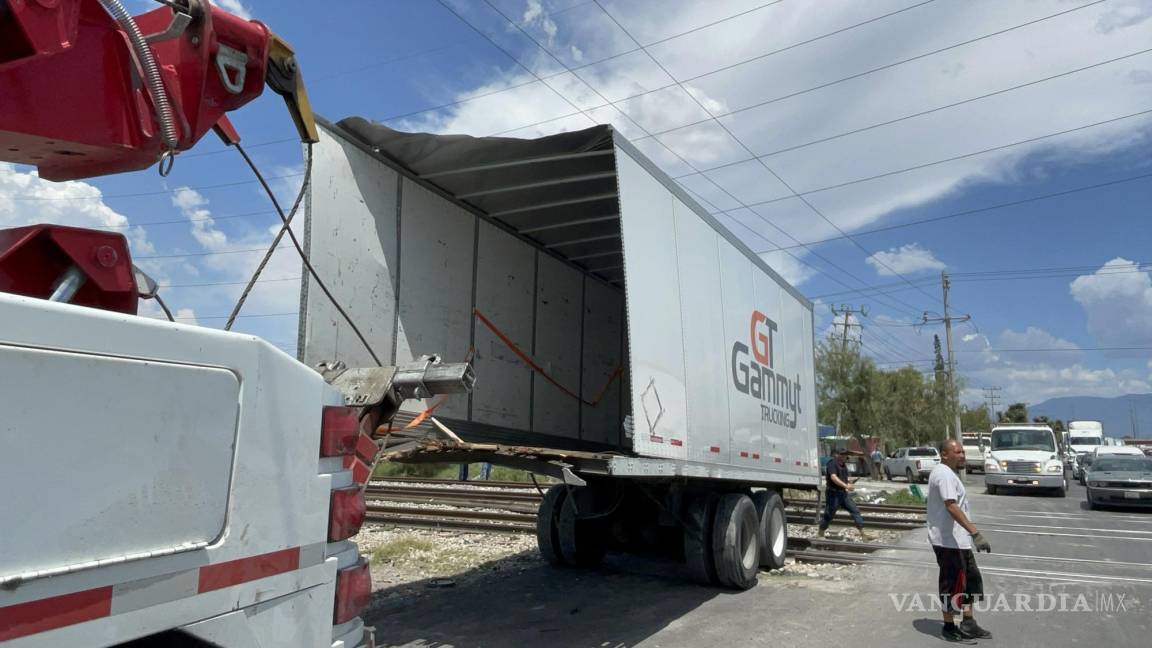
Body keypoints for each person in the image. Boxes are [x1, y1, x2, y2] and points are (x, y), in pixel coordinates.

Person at [928, 438, 993, 642]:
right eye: (957, 452)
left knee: (971, 582)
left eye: (963, 452)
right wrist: (975, 533)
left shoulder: (949, 474)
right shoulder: (944, 474)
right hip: (948, 541)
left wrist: (968, 535)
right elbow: (951, 506)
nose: (962, 455)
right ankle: (948, 626)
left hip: (959, 540)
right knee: (952, 584)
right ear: (945, 454)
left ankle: (968, 623)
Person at [819, 450, 870, 541]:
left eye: (846, 456)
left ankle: (863, 533)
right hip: (833, 493)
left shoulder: (843, 465)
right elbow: (833, 477)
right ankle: (821, 531)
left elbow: (844, 478)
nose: (845, 457)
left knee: (855, 510)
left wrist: (850, 482)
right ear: (837, 455)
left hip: (843, 494)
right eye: (843, 455)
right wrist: (846, 486)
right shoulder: (832, 463)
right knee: (829, 514)